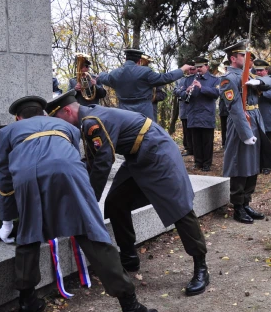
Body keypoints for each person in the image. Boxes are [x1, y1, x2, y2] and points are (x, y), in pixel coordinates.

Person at [0, 95, 158, 312]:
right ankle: (130, 308)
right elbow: (71, 155)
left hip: (26, 178)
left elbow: (3, 177)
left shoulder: (6, 132)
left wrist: (8, 220)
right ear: (43, 114)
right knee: (91, 233)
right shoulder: (65, 126)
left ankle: (26, 303)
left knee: (28, 236)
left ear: (18, 118)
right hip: (68, 174)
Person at [47, 91, 210, 297]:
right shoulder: (87, 120)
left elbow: (104, 162)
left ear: (67, 110)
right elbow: (93, 160)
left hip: (157, 152)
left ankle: (201, 267)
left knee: (179, 208)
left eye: (57, 119)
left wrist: (89, 201)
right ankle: (129, 256)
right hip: (137, 156)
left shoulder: (91, 122)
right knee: (116, 202)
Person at [219, 42, 271, 223]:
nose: (250, 60)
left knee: (254, 163)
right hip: (242, 122)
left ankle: (246, 202)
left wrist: (259, 81)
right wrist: (245, 134)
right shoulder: (229, 79)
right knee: (240, 164)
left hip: (256, 119)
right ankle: (238, 206)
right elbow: (235, 108)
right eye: (245, 56)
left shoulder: (250, 75)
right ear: (233, 58)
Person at [95, 48, 191, 121]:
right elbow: (165, 78)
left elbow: (103, 77)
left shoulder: (114, 74)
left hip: (123, 113)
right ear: (139, 61)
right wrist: (181, 70)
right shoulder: (145, 72)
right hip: (144, 112)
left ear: (125, 59)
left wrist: (101, 74)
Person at [178, 57, 220, 172]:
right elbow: (179, 93)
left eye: (201, 67)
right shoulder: (189, 80)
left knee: (207, 141)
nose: (198, 69)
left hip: (206, 115)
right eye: (197, 67)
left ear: (207, 66)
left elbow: (216, 93)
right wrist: (186, 92)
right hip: (193, 114)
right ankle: (198, 162)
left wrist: (202, 87)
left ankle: (207, 163)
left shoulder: (214, 80)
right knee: (195, 141)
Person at [174, 61, 197, 157]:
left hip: (195, 109)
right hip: (184, 108)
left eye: (193, 69)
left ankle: (195, 149)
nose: (191, 71)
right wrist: (184, 92)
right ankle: (188, 148)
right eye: (189, 69)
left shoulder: (198, 79)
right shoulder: (182, 80)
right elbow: (176, 91)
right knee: (186, 130)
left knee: (195, 131)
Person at [219, 57, 231, 148]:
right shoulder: (221, 79)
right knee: (223, 126)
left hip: (230, 107)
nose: (226, 69)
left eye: (228, 67)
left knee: (231, 126)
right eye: (225, 68)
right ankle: (224, 143)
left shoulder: (232, 78)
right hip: (223, 107)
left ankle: (230, 143)